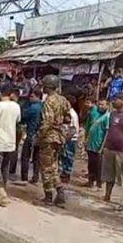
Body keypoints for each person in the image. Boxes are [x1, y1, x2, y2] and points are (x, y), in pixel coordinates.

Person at [37, 74, 71, 206]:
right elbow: (68, 117)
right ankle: (60, 193)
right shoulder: (63, 100)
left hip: (49, 138)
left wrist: (39, 137)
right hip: (60, 137)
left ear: (47, 86)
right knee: (54, 166)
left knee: (46, 167)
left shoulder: (48, 102)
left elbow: (47, 122)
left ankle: (49, 196)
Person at [101, 93, 123, 209]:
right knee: (109, 173)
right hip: (110, 147)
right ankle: (107, 195)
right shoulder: (112, 114)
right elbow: (108, 131)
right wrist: (104, 146)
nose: (114, 101)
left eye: (117, 99)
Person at [19, 89, 42, 184]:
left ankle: (24, 178)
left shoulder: (33, 108)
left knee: (25, 156)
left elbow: (22, 117)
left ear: (37, 96)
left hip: (31, 134)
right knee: (37, 157)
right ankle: (35, 177)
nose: (30, 98)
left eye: (32, 96)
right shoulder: (43, 106)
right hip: (40, 135)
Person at [85, 98, 109, 190]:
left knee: (99, 166)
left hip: (99, 145)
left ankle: (98, 184)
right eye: (99, 104)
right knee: (91, 164)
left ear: (107, 105)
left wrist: (102, 147)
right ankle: (90, 181)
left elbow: (106, 133)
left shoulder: (107, 116)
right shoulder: (96, 115)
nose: (100, 106)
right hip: (91, 144)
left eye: (102, 105)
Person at [58, 95, 79, 184]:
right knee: (64, 157)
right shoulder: (67, 112)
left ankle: (66, 175)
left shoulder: (71, 114)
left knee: (68, 157)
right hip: (67, 138)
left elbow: (72, 129)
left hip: (70, 139)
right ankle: (64, 174)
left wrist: (65, 140)